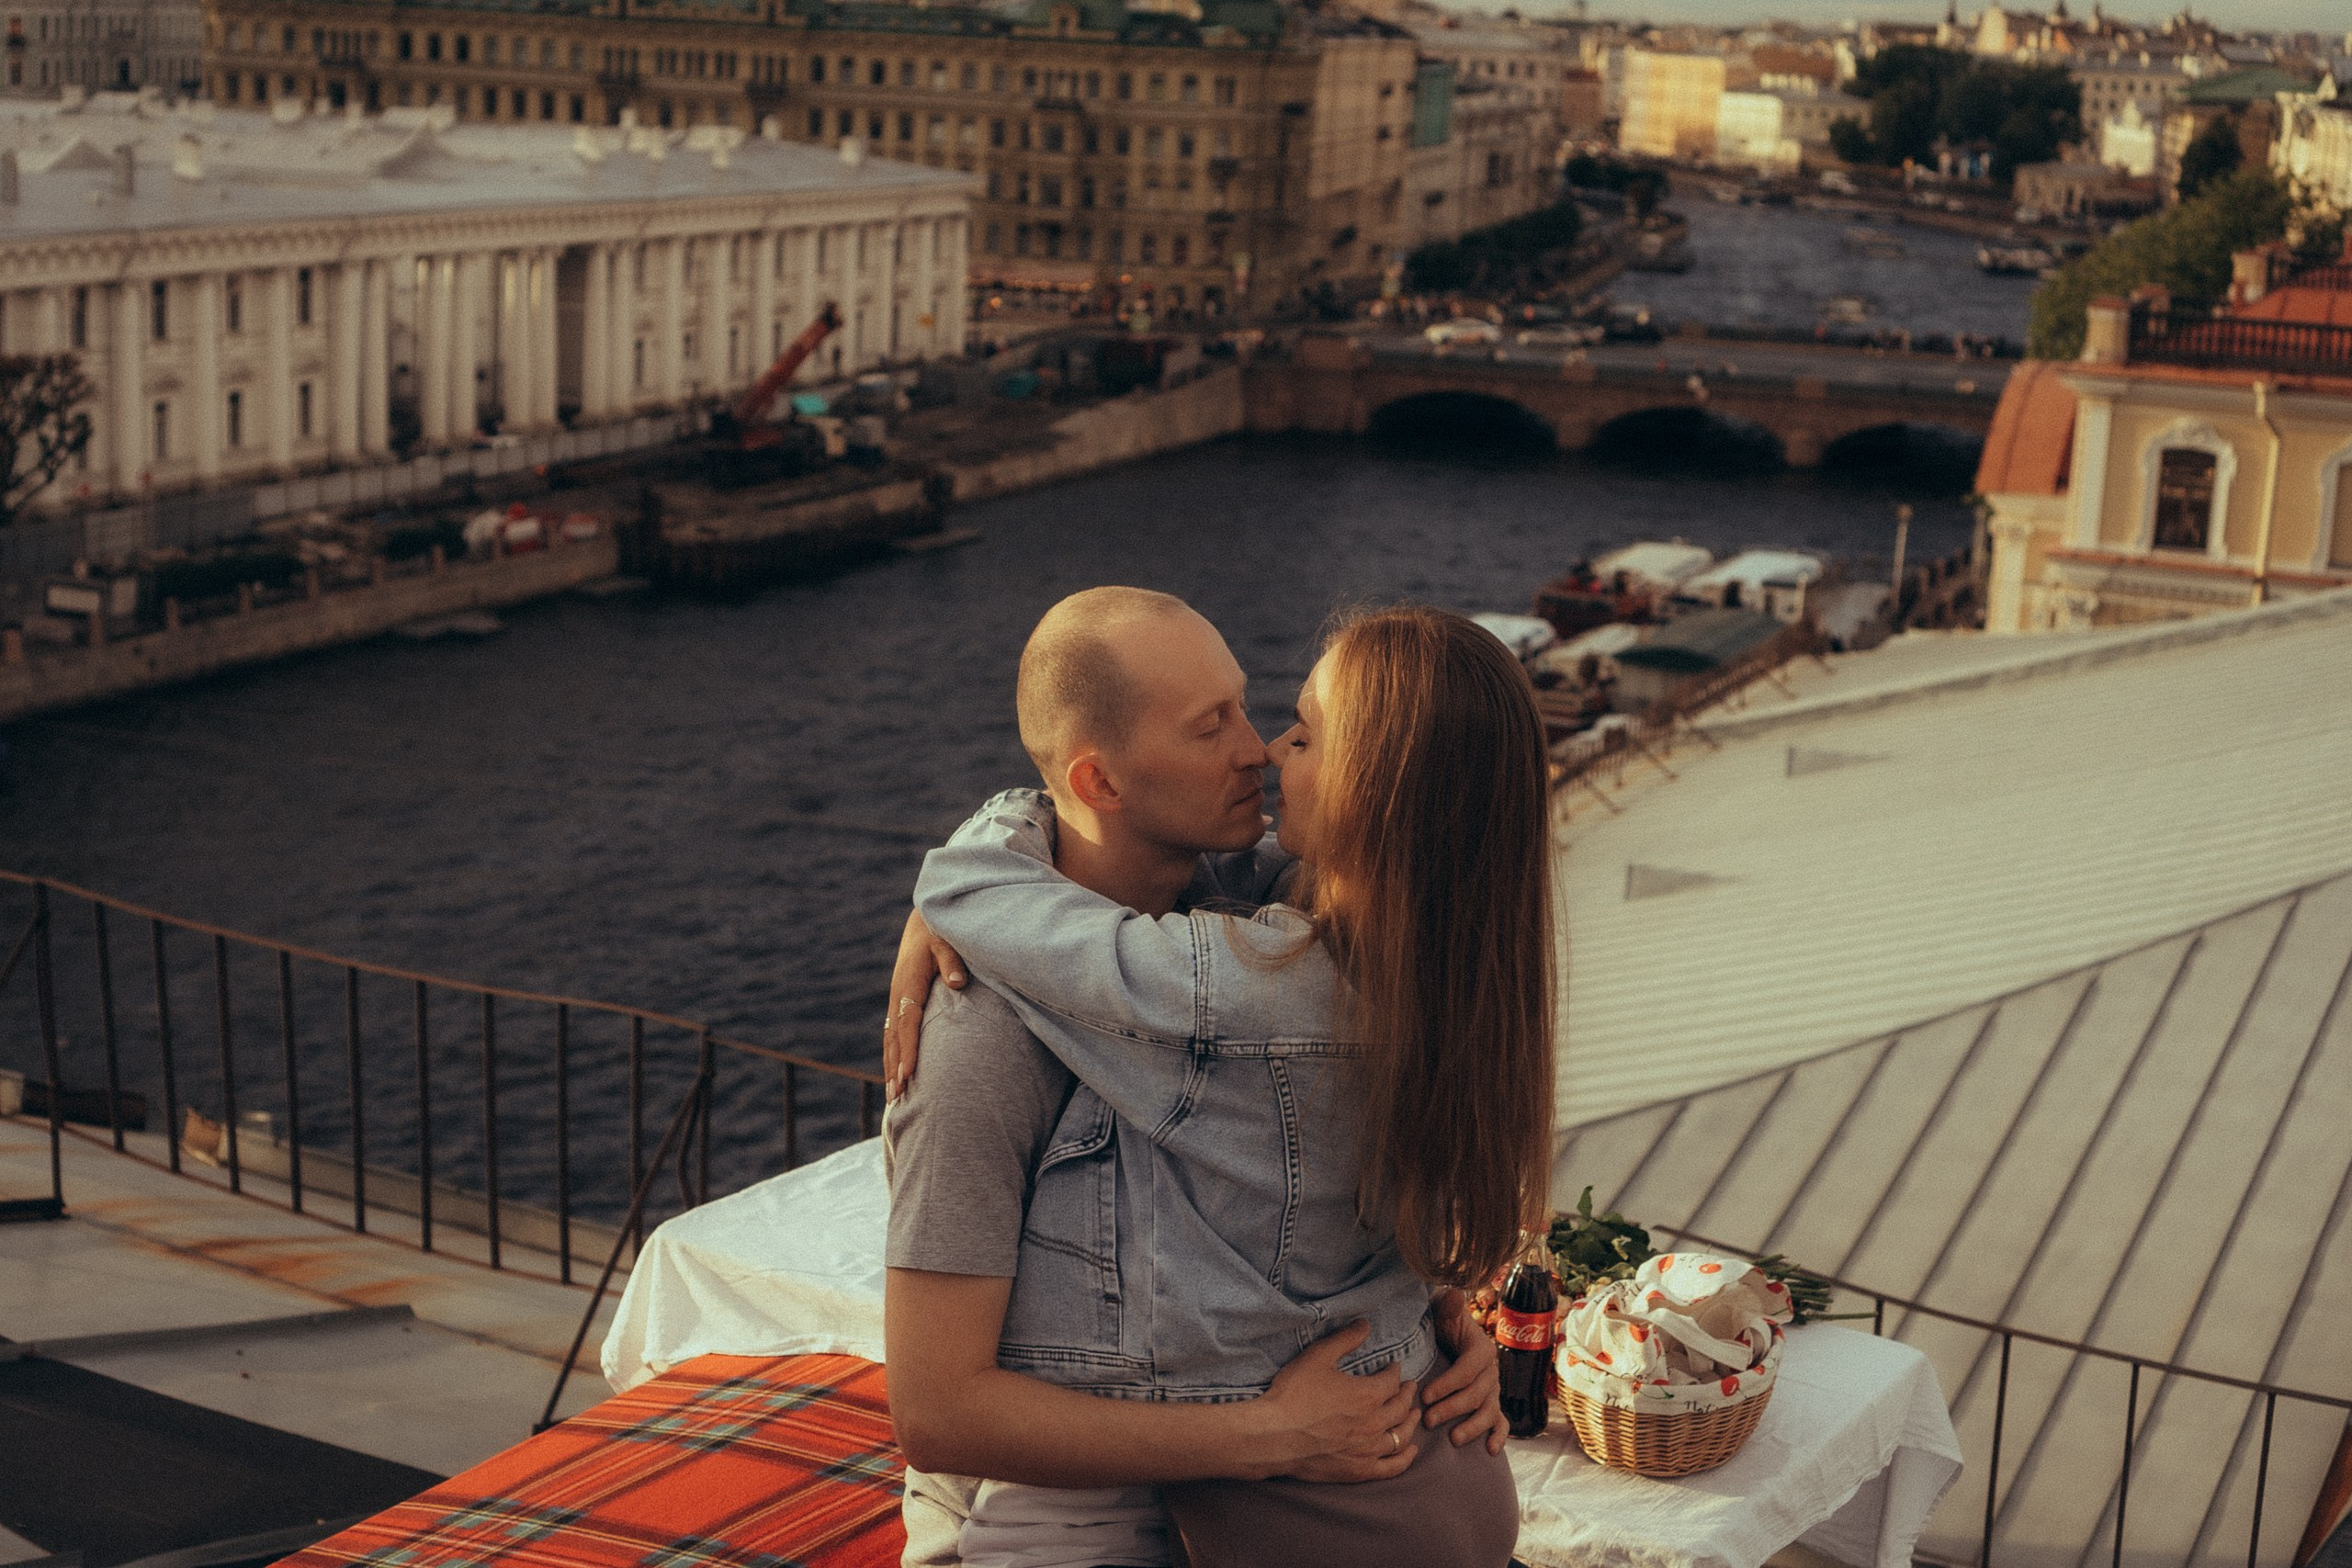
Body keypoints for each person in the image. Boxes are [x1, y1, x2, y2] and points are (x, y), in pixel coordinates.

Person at [888, 590, 1555, 1568]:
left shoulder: (1252, 948)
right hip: (1061, 1520)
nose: (1259, 749)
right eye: (1214, 725)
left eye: (1276, 720)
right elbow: (937, 1411)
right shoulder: (981, 1026)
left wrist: (1426, 1322)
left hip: (1282, 1504)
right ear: (1100, 780)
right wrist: (1283, 1424)